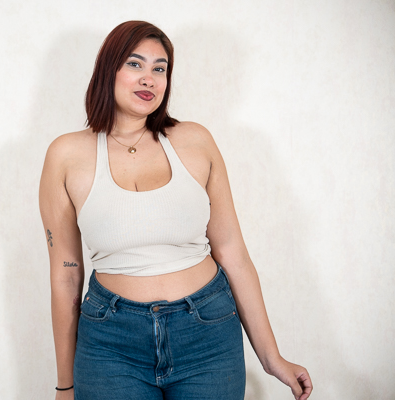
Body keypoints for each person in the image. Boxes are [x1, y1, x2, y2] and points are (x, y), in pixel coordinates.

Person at [39, 20, 312, 400]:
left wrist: (271, 357)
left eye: (160, 68)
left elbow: (233, 252)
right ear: (108, 70)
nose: (148, 78)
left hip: (207, 334)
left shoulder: (195, 140)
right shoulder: (66, 154)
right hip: (110, 345)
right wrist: (65, 385)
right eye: (135, 64)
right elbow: (66, 275)